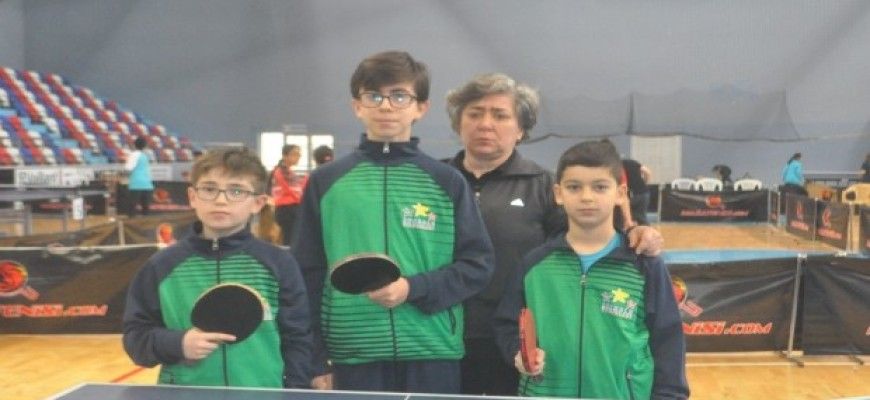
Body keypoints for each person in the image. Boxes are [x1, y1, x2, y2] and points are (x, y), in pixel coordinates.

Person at [444, 73, 664, 396]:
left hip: (519, 349)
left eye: (500, 115)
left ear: (521, 129)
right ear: (458, 123)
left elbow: (589, 241)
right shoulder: (433, 181)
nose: (486, 124)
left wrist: (636, 232)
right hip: (438, 340)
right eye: (475, 114)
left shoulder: (544, 186)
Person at [291, 51, 495, 394]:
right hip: (351, 355)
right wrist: (316, 358)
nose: (386, 106)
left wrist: (412, 289)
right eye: (374, 96)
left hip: (432, 352)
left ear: (421, 108)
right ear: (357, 106)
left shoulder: (447, 181)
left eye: (399, 96)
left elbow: (478, 265)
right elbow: (305, 274)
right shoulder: (326, 182)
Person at [493, 140, 689, 399]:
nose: (587, 197)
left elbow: (668, 340)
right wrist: (518, 354)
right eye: (574, 187)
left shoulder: (644, 265)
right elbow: (507, 324)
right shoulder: (534, 264)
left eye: (600, 187)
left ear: (620, 194)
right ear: (558, 194)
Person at [122, 147, 312, 388]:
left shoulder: (279, 264)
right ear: (192, 197)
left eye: (236, 191)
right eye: (209, 189)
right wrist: (178, 343)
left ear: (258, 203)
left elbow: (298, 339)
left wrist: (295, 391)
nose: (221, 200)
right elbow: (135, 338)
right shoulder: (160, 266)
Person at [270, 144, 306, 245]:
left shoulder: (290, 173)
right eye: (294, 154)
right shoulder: (280, 172)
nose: (298, 157)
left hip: (291, 209)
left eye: (299, 154)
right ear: (285, 156)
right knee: (288, 239)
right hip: (287, 210)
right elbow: (290, 191)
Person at [125, 137, 154, 218]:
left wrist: (125, 176)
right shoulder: (146, 156)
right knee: (146, 210)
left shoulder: (133, 155)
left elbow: (128, 168)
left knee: (132, 209)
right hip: (147, 184)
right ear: (145, 146)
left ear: (134, 145)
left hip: (136, 184)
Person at [622, 157, 652, 225]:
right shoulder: (633, 162)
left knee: (625, 216)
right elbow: (647, 172)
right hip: (644, 192)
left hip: (631, 194)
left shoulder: (617, 166)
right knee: (642, 217)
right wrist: (645, 182)